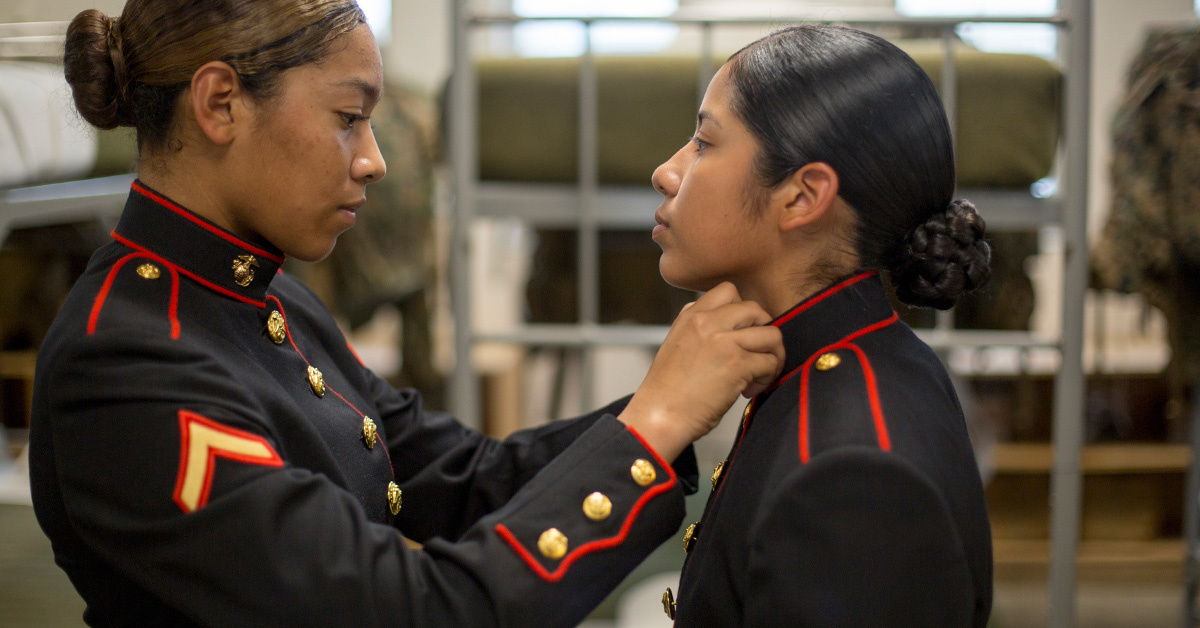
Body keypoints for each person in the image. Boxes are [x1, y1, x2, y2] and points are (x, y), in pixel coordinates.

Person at [30, 2, 785, 626]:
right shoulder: (130, 363)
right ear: (221, 103)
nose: (375, 160)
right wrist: (650, 425)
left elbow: (459, 476)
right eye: (348, 117)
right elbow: (412, 613)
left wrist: (671, 409)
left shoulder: (269, 299)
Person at [651, 24, 993, 627]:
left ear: (802, 197)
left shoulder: (852, 477)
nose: (667, 172)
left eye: (703, 143)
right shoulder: (863, 359)